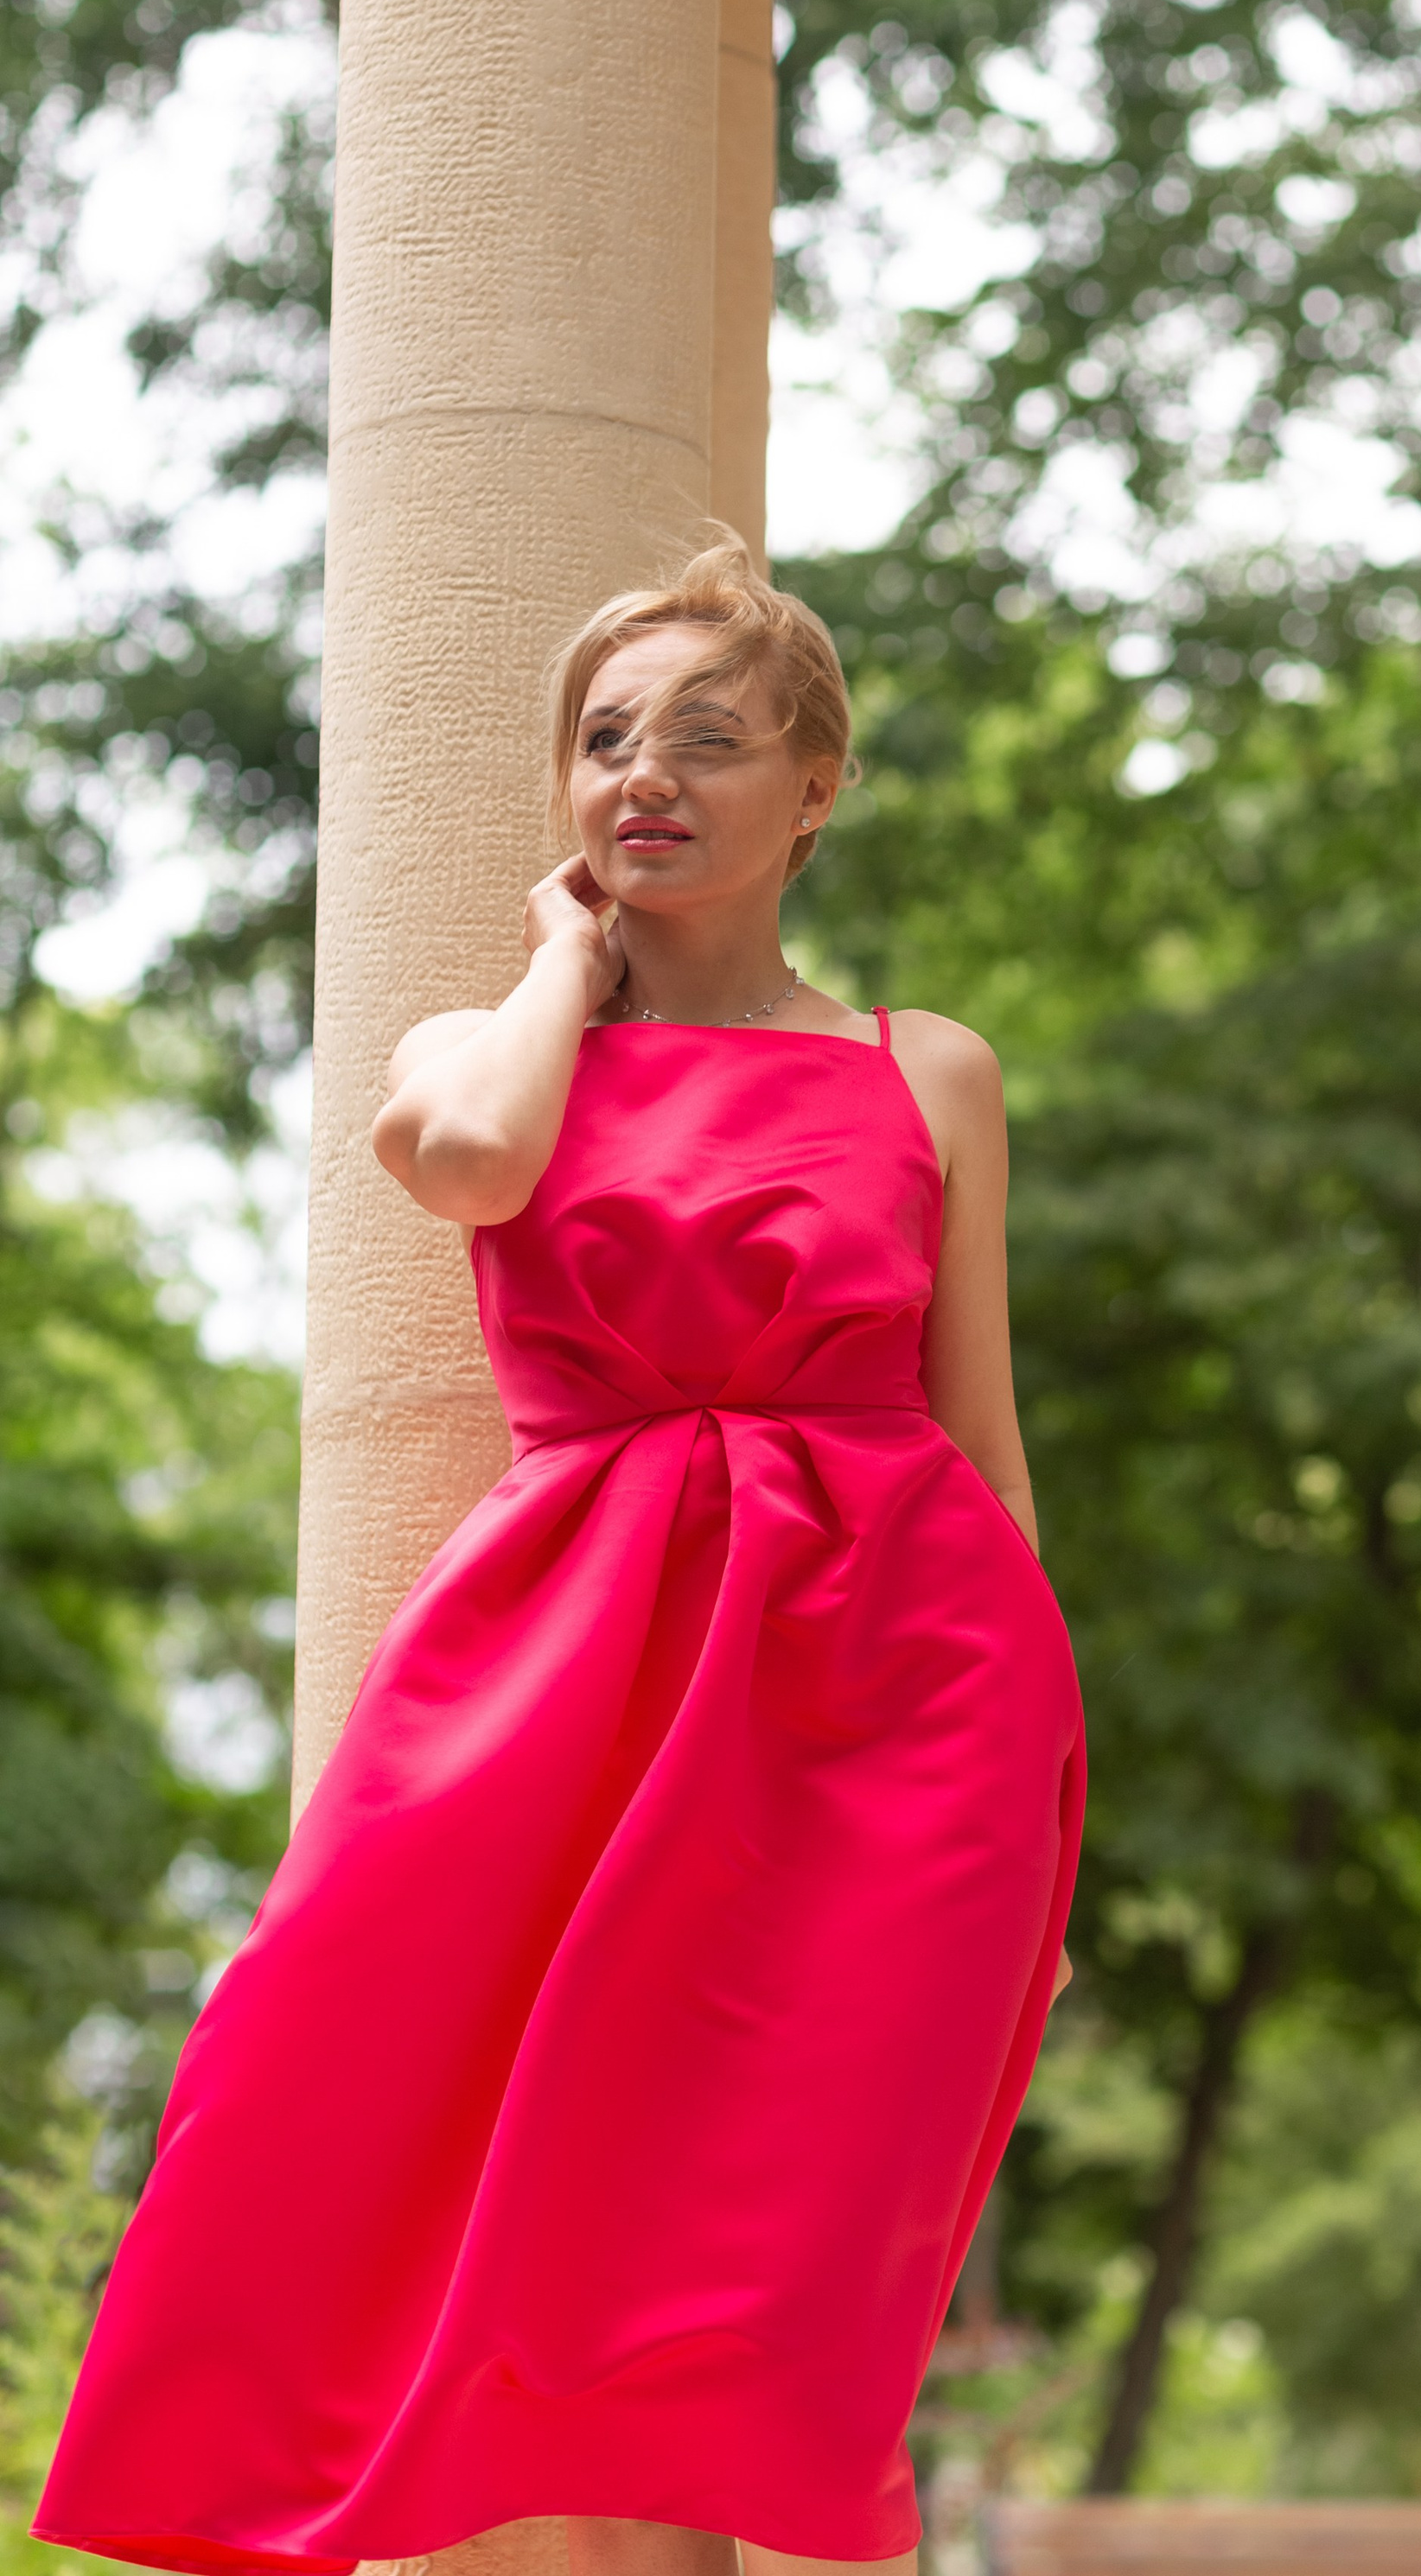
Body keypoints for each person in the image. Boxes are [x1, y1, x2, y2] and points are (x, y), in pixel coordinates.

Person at [36, 540, 1086, 2576]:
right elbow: (479, 1167)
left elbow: (985, 1445)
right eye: (604, 742)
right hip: (567, 1669)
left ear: (819, 785)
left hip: (892, 1700)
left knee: (760, 2269)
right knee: (362, 2097)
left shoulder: (925, 1067)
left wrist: (1040, 1802)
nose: (646, 777)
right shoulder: (480, 1049)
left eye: (710, 735)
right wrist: (555, 964)